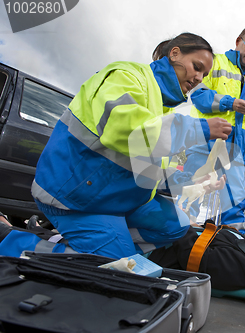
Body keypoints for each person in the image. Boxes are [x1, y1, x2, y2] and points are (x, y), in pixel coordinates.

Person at [31, 33, 232, 259]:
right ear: (174, 52)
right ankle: (24, 246)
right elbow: (128, 129)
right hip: (75, 197)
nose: (199, 78)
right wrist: (200, 129)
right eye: (197, 66)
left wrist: (193, 181)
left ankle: (98, 241)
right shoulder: (126, 75)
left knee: (177, 224)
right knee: (119, 270)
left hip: (111, 197)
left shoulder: (163, 109)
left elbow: (151, 174)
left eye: (204, 74)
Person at [183, 26, 245, 233]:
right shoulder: (215, 62)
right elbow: (199, 96)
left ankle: (230, 245)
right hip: (206, 139)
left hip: (238, 147)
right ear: (238, 40)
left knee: (234, 204)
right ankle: (178, 241)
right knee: (190, 196)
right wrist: (230, 103)